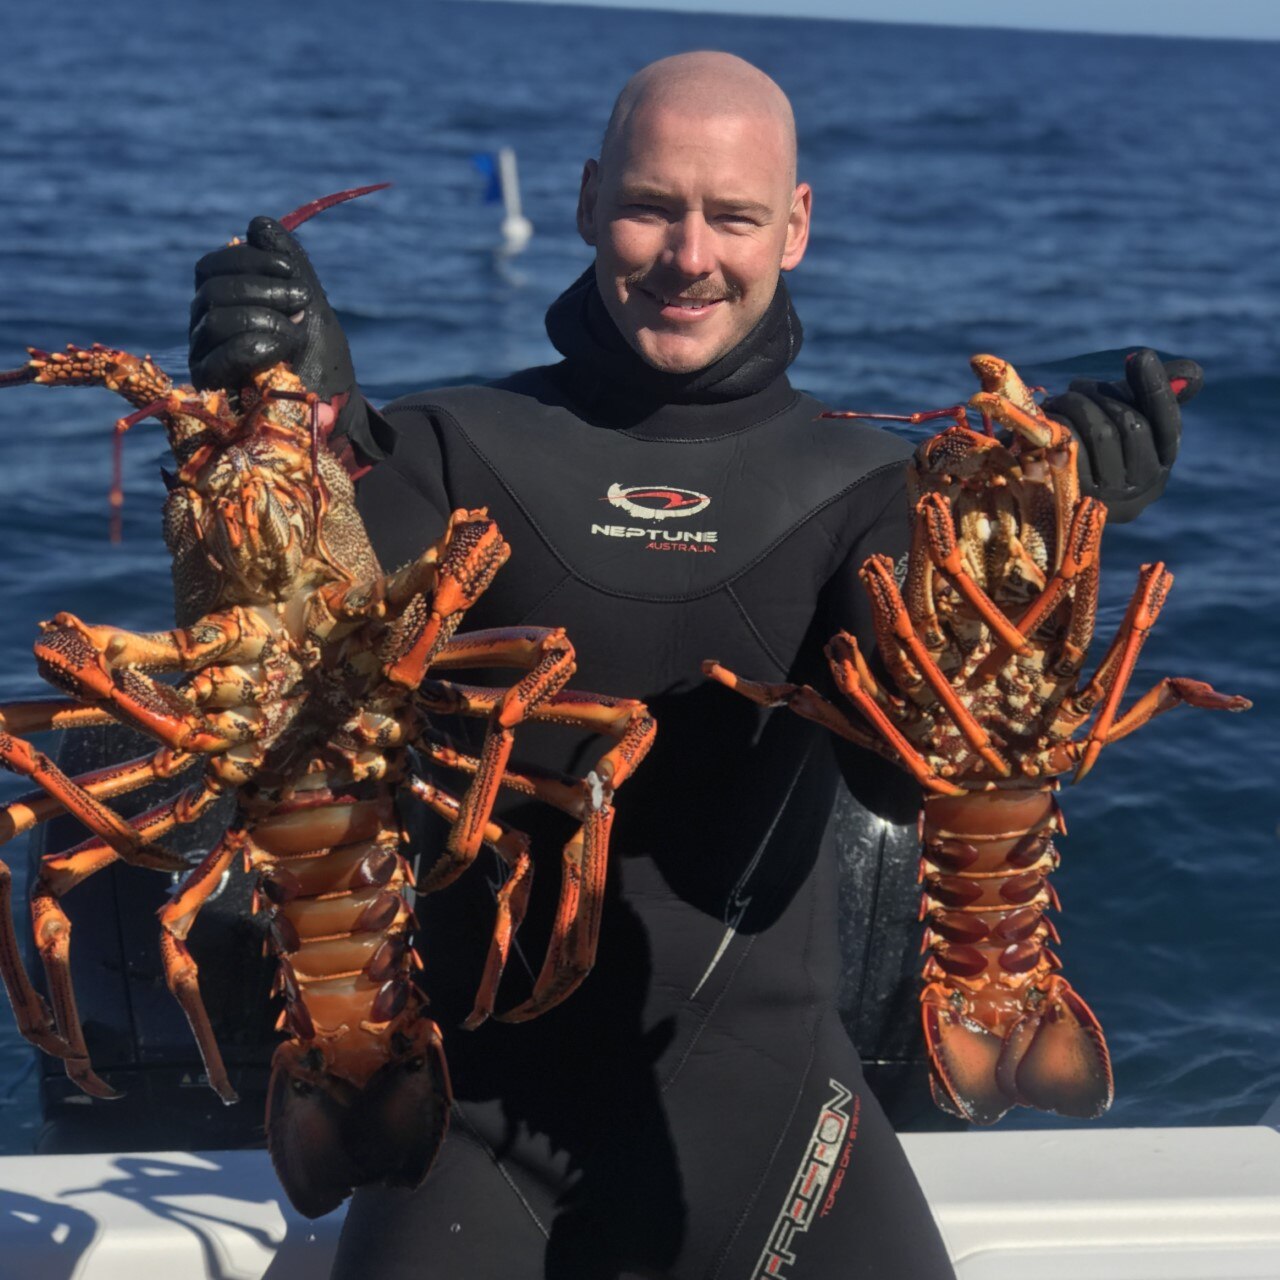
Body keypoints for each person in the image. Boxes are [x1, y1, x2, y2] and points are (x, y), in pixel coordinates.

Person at [186, 52, 1192, 1280]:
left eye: (732, 215)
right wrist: (304, 426)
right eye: (652, 206)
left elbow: (912, 767)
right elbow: (282, 675)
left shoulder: (869, 483)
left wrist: (1042, 541)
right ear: (584, 198)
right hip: (462, 1111)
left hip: (769, 1095)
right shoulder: (446, 448)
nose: (689, 254)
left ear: (796, 227)